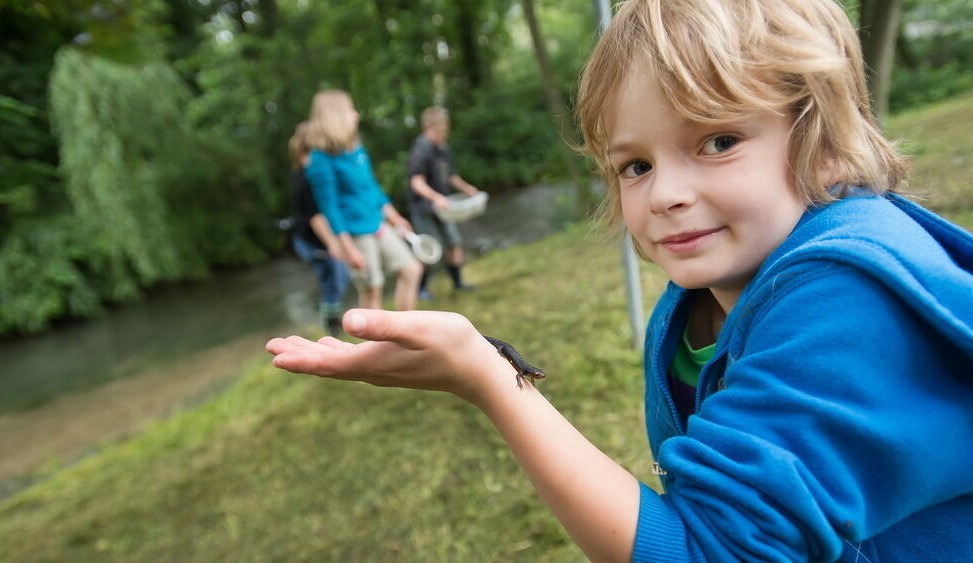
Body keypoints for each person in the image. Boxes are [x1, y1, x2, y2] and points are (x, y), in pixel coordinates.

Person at [266, 1, 973, 561]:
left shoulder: (846, 299)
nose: (665, 192)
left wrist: (489, 379)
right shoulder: (696, 300)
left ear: (821, 146)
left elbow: (705, 549)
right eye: (634, 164)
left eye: (718, 141)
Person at [302, 90, 423, 311]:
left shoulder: (356, 149)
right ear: (334, 116)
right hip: (356, 234)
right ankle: (375, 345)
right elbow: (330, 208)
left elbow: (372, 188)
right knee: (372, 289)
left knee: (412, 269)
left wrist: (395, 217)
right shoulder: (319, 160)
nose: (356, 115)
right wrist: (348, 249)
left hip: (377, 222)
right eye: (350, 110)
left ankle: (406, 335)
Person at [407, 107, 481, 300]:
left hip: (445, 208)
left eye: (445, 130)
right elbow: (416, 183)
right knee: (430, 249)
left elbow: (451, 176)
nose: (443, 134)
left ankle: (458, 283)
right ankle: (421, 289)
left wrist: (467, 189)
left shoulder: (443, 148)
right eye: (439, 130)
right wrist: (436, 197)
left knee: (454, 242)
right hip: (424, 208)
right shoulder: (420, 149)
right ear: (428, 127)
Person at [287, 122, 351, 336]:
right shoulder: (308, 176)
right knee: (334, 280)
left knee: (333, 280)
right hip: (313, 241)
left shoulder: (303, 171)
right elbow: (315, 217)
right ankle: (333, 329)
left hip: (310, 239)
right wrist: (334, 244)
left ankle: (332, 324)